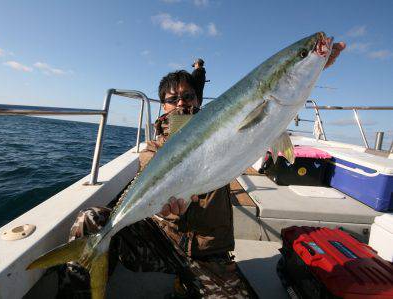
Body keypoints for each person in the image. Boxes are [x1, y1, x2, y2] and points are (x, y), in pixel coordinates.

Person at [58, 42, 345, 298]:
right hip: (161, 242)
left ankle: (187, 285)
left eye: (189, 97)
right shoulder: (153, 150)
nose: (181, 102)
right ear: (163, 107)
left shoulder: (224, 129)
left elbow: (276, 108)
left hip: (209, 252)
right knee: (91, 220)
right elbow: (159, 200)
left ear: (198, 101)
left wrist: (315, 64)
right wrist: (165, 209)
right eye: (173, 99)